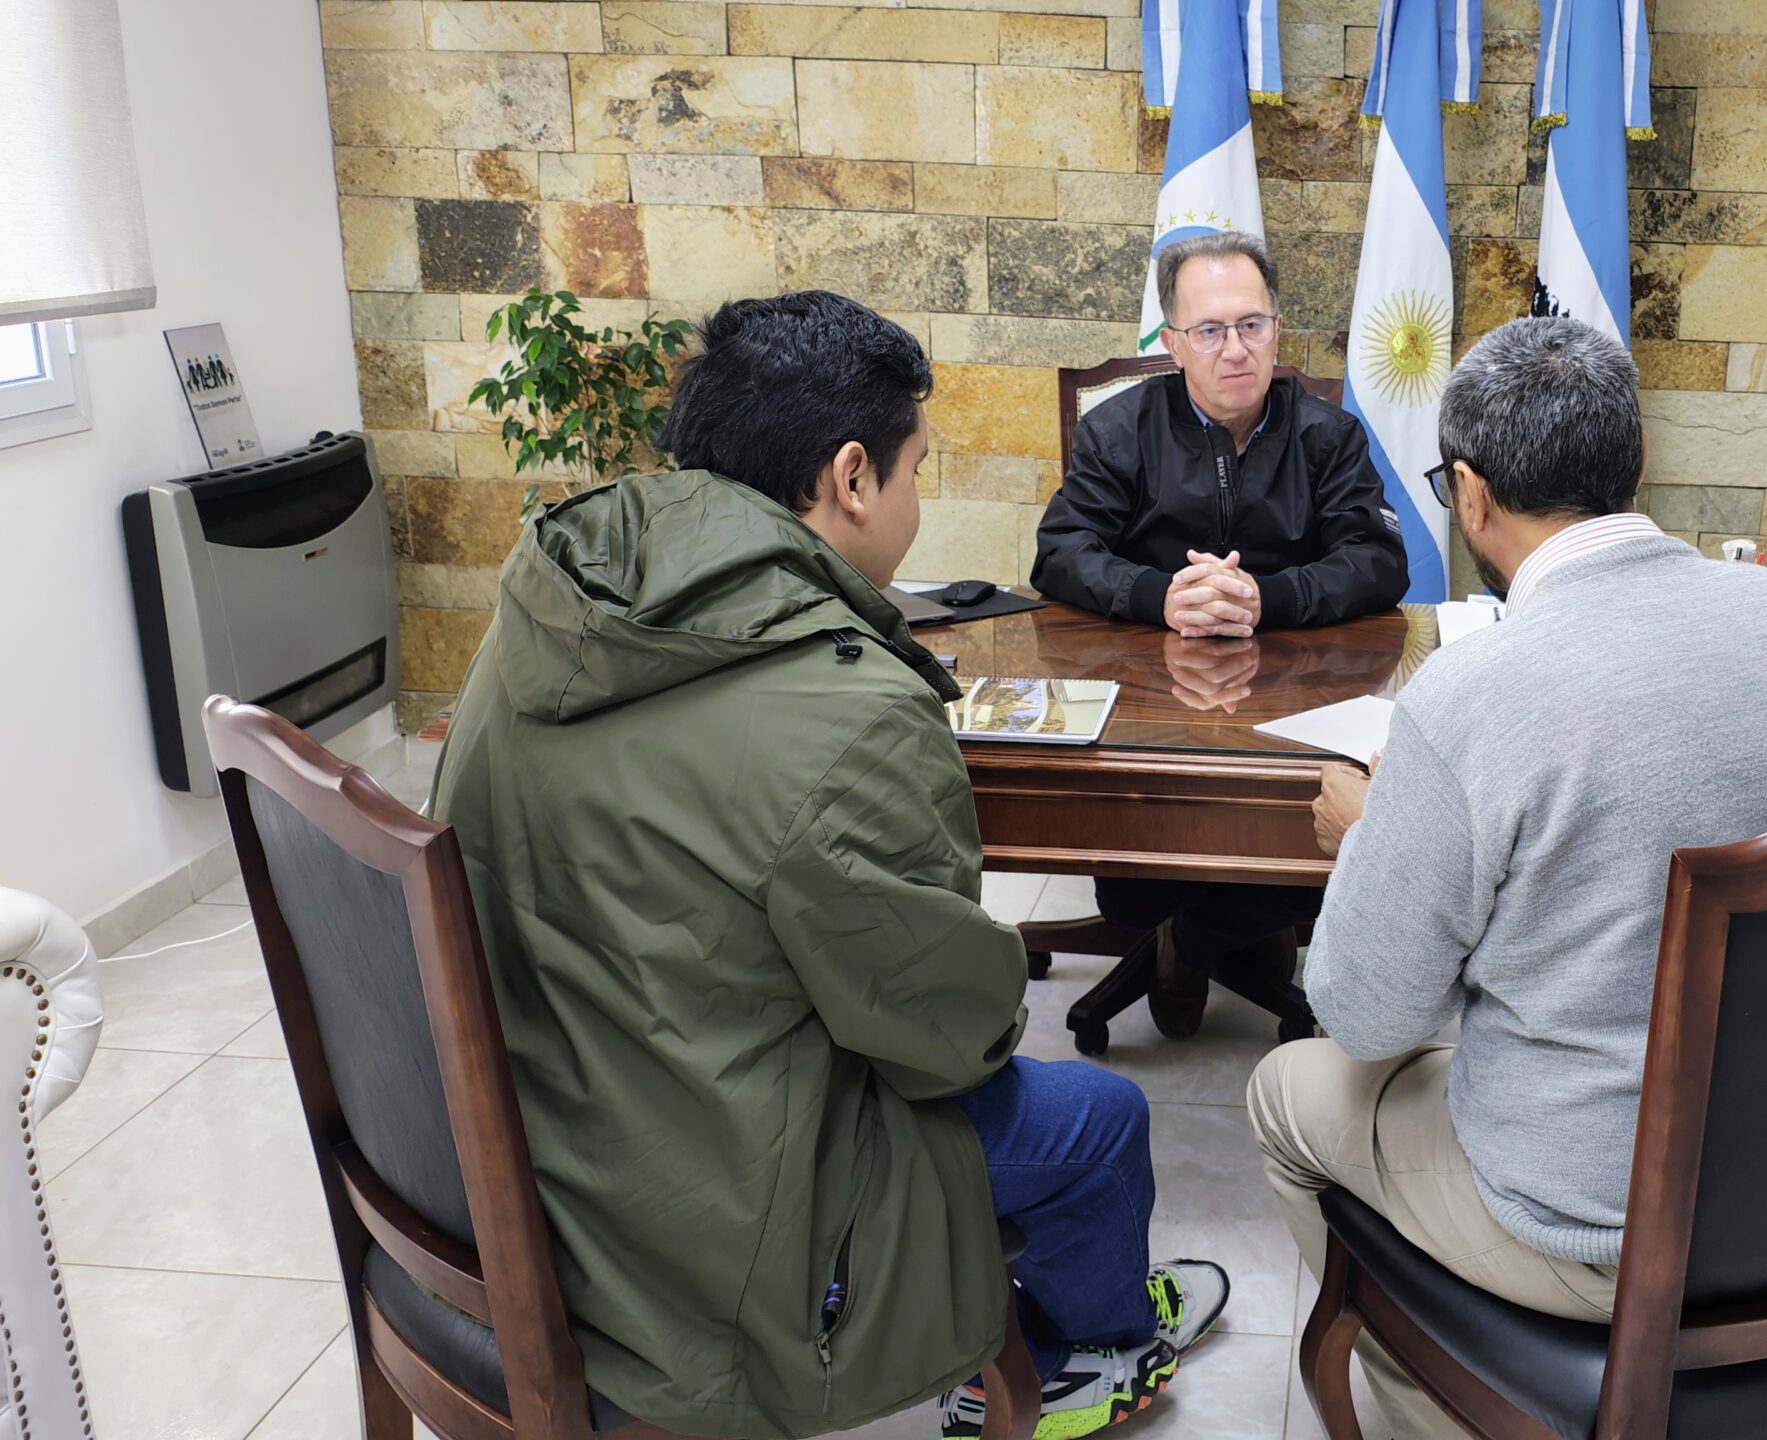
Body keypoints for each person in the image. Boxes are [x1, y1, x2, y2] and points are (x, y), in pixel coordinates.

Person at [430, 291, 1226, 1440]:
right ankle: (1089, 1356)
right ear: (852, 478)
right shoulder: (849, 709)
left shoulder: (547, 603)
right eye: (916, 471)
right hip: (711, 1211)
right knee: (1097, 1119)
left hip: (530, 1143)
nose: (916, 499)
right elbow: (945, 1041)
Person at [1246, 317, 1767, 1440]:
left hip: (1595, 1225)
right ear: (1637, 458)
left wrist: (1371, 836)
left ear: (1469, 496)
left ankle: (1440, 1397)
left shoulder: (1471, 694)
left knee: (1286, 1092)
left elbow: (1367, 1017)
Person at [1031, 231, 1408, 1039]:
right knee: (1131, 885)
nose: (1234, 349)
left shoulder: (1327, 435)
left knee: (1306, 855)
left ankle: (1196, 940)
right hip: (1147, 707)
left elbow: (1379, 561)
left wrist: (1265, 599)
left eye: (1251, 325)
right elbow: (1060, 553)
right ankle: (1196, 929)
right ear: (1172, 345)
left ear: (1277, 330)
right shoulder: (1119, 430)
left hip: (1292, 705)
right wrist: (1162, 596)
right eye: (1209, 330)